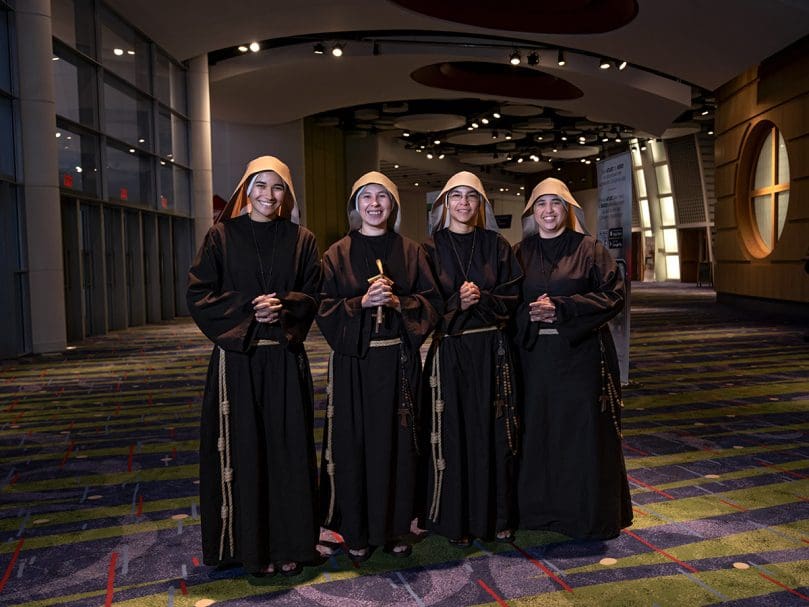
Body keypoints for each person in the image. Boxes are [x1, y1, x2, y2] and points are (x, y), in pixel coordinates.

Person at [187, 156, 321, 579]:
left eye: (277, 187)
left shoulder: (302, 239)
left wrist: (282, 307)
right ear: (247, 188)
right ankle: (248, 547)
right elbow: (199, 294)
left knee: (287, 451)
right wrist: (249, 307)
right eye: (260, 186)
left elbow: (313, 294)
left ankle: (290, 544)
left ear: (288, 194)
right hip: (238, 360)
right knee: (245, 451)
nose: (268, 195)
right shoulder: (220, 236)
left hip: (283, 357)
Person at [317, 171, 441, 562]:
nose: (374, 204)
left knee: (399, 447)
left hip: (398, 363)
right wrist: (361, 305)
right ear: (356, 205)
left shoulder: (411, 251)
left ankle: (395, 528)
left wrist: (398, 304)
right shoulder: (336, 253)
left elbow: (432, 301)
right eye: (366, 197)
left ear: (393, 205)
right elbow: (323, 308)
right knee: (355, 447)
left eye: (382, 197)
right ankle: (357, 532)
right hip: (355, 364)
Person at [514, 177, 632, 540]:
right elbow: (507, 304)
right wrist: (528, 315)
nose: (548, 211)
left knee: (580, 436)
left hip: (580, 357)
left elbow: (613, 297)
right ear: (532, 212)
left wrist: (562, 308)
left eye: (556, 204)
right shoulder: (520, 252)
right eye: (541, 205)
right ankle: (539, 512)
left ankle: (584, 515)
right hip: (534, 359)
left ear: (568, 210)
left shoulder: (591, 249)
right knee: (538, 432)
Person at [421, 171, 523, 546]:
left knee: (494, 433)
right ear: (444, 203)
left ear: (481, 205)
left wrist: (479, 299)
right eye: (456, 197)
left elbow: (513, 299)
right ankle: (456, 519)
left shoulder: (498, 246)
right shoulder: (429, 248)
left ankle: (496, 515)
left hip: (492, 352)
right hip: (451, 350)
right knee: (453, 434)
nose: (464, 203)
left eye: (472, 197)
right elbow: (424, 304)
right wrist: (455, 304)